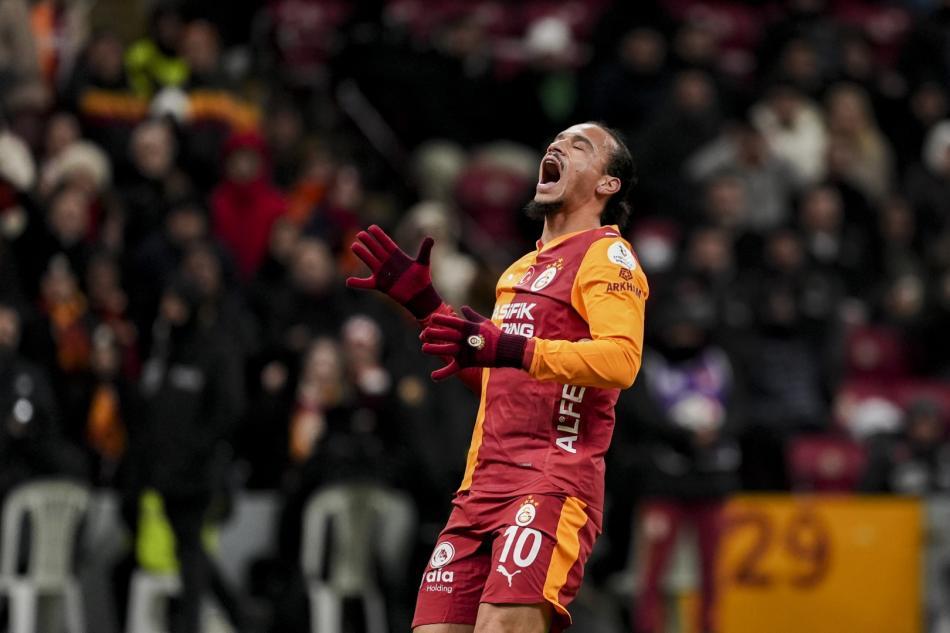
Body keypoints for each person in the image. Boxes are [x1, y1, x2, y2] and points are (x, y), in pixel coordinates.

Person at [346, 122, 649, 633]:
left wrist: (509, 347)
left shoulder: (606, 256)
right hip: (479, 489)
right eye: (556, 140)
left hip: (550, 483)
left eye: (579, 145)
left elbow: (621, 362)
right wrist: (426, 306)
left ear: (607, 184)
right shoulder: (518, 271)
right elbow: (502, 383)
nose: (558, 145)